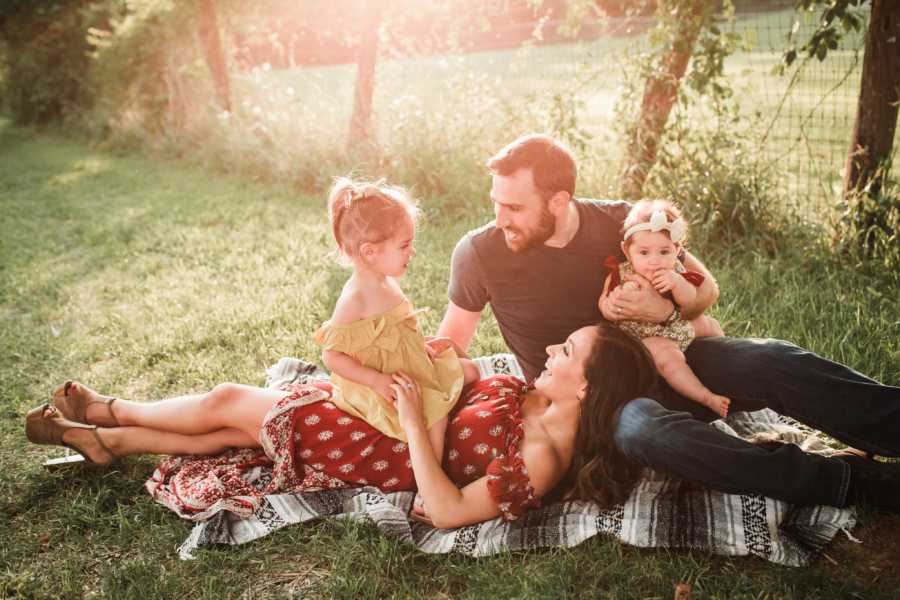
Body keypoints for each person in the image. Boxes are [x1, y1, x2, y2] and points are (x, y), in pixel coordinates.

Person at [437, 133, 900, 512]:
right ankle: (848, 481)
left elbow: (707, 288)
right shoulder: (479, 253)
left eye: (514, 208)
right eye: (496, 203)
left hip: (667, 355)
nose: (500, 220)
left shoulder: (624, 223)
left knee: (769, 358)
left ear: (558, 201)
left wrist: (666, 312)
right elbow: (453, 343)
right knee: (643, 429)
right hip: (588, 404)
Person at [25, 323, 657, 528]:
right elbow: (468, 386)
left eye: (566, 354)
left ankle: (109, 412)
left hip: (385, 446)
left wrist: (411, 419)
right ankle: (106, 442)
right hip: (386, 416)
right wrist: (449, 364)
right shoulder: (537, 397)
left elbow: (442, 509)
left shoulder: (543, 457)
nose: (551, 353)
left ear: (588, 388)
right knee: (230, 431)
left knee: (226, 404)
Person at [315, 177, 479, 464]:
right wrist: (376, 380)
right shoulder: (355, 298)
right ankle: (428, 482)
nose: (411, 252)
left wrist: (420, 347)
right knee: (435, 415)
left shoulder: (385, 280)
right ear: (370, 252)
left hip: (411, 364)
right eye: (404, 246)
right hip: (387, 382)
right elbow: (331, 356)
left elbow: (396, 329)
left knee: (470, 370)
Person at [601, 199, 729, 417]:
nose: (654, 261)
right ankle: (705, 396)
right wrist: (608, 308)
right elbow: (604, 299)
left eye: (664, 252)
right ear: (626, 250)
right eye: (644, 253)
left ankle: (727, 365)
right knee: (669, 359)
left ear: (677, 250)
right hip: (643, 338)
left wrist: (677, 283)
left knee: (710, 325)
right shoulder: (620, 274)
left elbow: (690, 300)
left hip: (678, 325)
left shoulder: (677, 271)